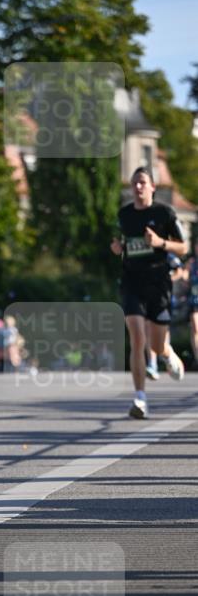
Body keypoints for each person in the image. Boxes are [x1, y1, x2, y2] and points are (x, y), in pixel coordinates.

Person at [110, 166, 187, 419]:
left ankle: (167, 353)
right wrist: (117, 248)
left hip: (158, 283)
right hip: (132, 282)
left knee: (156, 343)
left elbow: (183, 247)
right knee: (137, 338)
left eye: (142, 182)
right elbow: (119, 242)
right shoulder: (124, 215)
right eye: (134, 183)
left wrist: (160, 243)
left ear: (153, 187)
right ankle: (140, 398)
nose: (138, 187)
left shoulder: (164, 213)